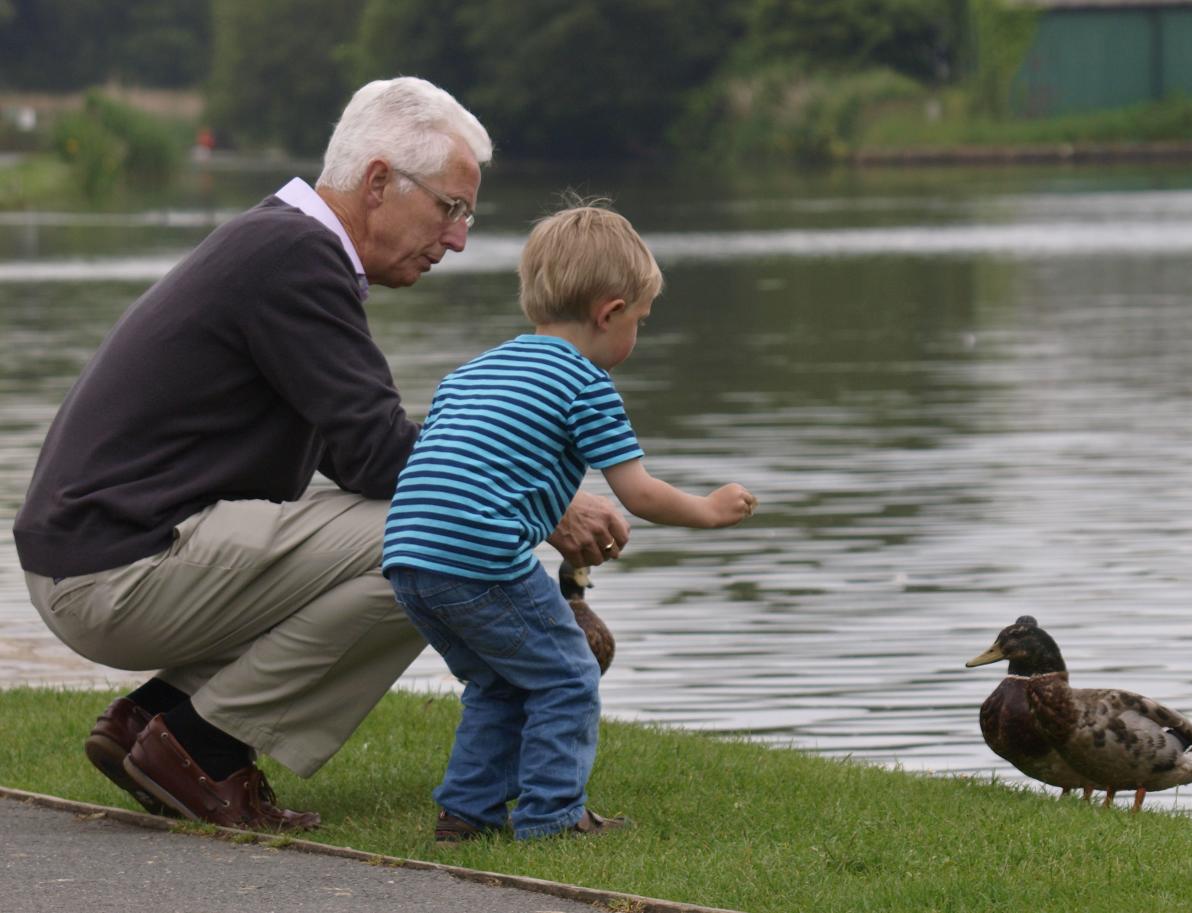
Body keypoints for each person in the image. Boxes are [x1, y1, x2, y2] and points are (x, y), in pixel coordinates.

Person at [12, 78, 629, 831]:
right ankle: (200, 748)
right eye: (450, 207)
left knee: (416, 522)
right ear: (378, 182)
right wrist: (544, 503)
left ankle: (154, 719)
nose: (460, 237)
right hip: (115, 571)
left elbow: (362, 450)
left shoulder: (282, 244)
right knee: (436, 539)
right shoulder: (295, 258)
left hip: (100, 554)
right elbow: (381, 455)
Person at [382, 203, 758, 842]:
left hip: (408, 555)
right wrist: (709, 510)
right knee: (569, 675)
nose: (636, 334)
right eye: (639, 320)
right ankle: (553, 819)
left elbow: (446, 462)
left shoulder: (473, 371)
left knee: (499, 679)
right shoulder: (585, 382)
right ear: (610, 312)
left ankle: (466, 816)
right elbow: (636, 493)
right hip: (479, 556)